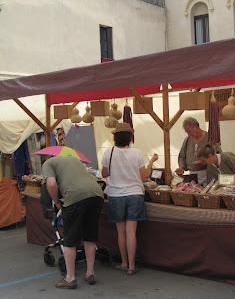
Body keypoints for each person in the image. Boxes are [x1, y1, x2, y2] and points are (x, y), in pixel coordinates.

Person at [101, 123, 157, 275]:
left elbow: (104, 173)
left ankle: (124, 263)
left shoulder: (109, 152)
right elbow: (145, 176)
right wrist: (150, 163)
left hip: (116, 195)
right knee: (131, 232)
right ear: (130, 137)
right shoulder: (137, 153)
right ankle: (132, 266)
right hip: (135, 194)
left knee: (121, 232)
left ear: (115, 137)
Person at [42, 155, 104, 289]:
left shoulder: (47, 163)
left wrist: (57, 202)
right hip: (97, 194)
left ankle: (70, 278)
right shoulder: (74, 159)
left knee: (69, 239)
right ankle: (90, 273)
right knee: (90, 236)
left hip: (75, 197)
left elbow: (51, 183)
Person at [176, 117, 220, 185]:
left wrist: (205, 162)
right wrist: (181, 167)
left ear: (196, 127)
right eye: (187, 132)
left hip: (208, 174)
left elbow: (218, 156)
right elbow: (182, 156)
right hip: (192, 175)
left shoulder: (210, 138)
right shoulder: (187, 140)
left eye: (189, 131)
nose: (188, 134)